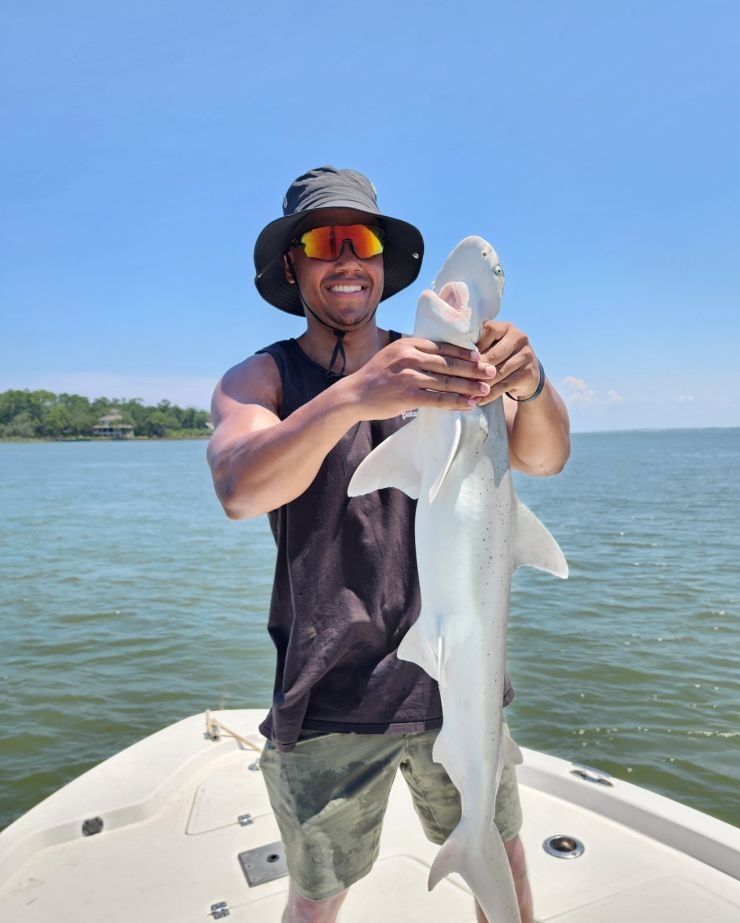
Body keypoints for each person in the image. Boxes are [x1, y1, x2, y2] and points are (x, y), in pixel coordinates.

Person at [207, 166, 570, 923]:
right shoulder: (262, 378)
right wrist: (358, 395)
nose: (346, 259)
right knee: (316, 900)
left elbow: (542, 457)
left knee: (505, 873)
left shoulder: (437, 367)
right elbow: (240, 488)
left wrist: (531, 386)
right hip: (330, 693)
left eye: (361, 240)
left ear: (381, 262)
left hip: (458, 685)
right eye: (322, 242)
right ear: (292, 264)